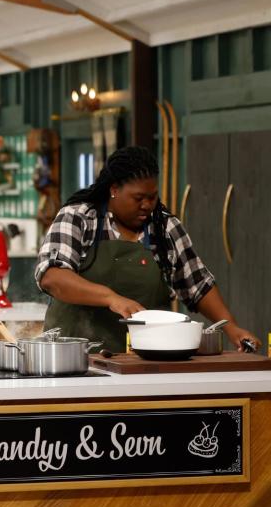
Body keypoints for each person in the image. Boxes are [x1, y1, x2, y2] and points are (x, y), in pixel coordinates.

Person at [36, 145, 259, 354]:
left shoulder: (165, 229)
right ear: (114, 190)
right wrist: (111, 298)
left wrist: (232, 328)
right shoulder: (79, 218)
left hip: (143, 361)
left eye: (152, 197)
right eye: (138, 198)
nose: (146, 205)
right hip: (73, 359)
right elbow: (52, 277)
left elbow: (198, 285)